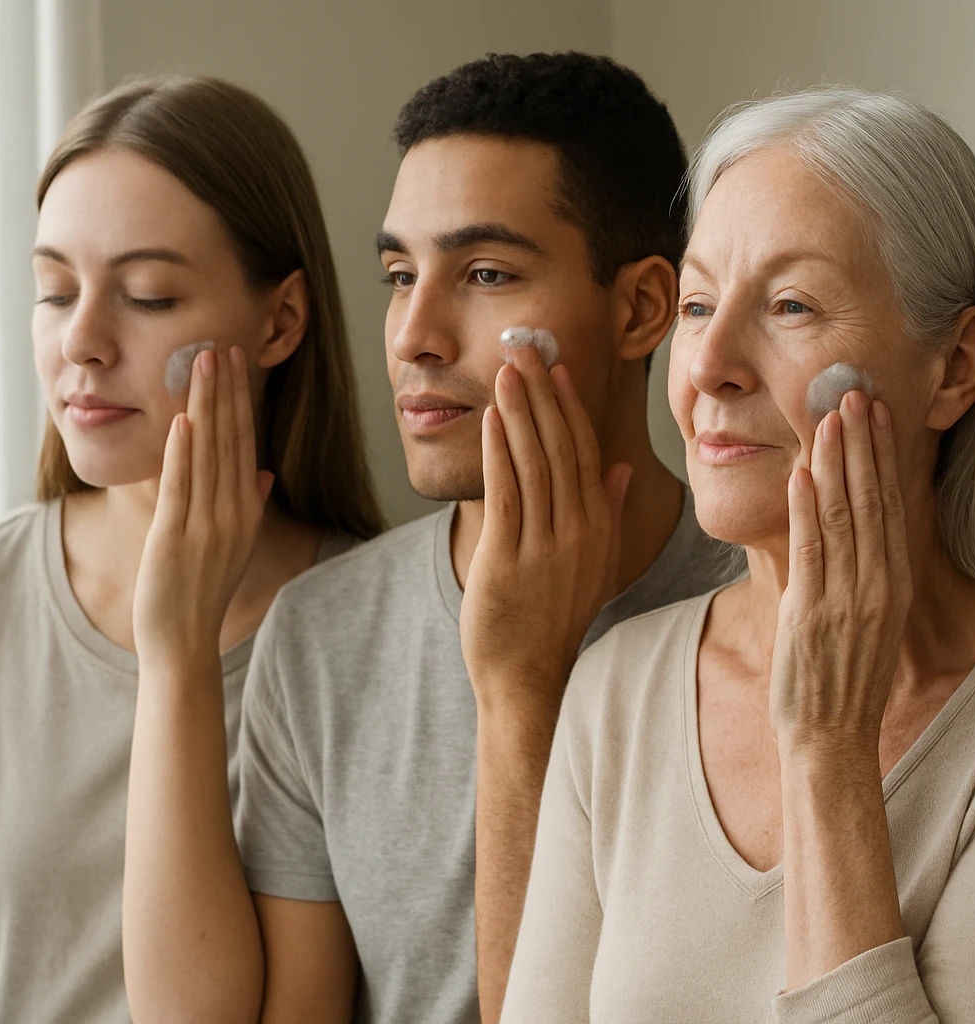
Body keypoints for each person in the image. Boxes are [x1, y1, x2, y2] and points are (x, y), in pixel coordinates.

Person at [499, 86, 975, 1023]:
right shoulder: (618, 688)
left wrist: (829, 746)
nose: (709, 364)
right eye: (697, 303)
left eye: (791, 305)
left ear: (957, 366)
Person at [121, 52, 735, 1024]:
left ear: (642, 309)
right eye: (401, 275)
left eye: (486, 274)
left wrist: (525, 686)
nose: (414, 333)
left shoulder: (767, 611)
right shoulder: (321, 635)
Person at [0, 76, 382, 1024]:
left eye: (148, 296)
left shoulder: (373, 634)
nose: (81, 341)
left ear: (280, 321)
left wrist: (179, 651)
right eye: (54, 290)